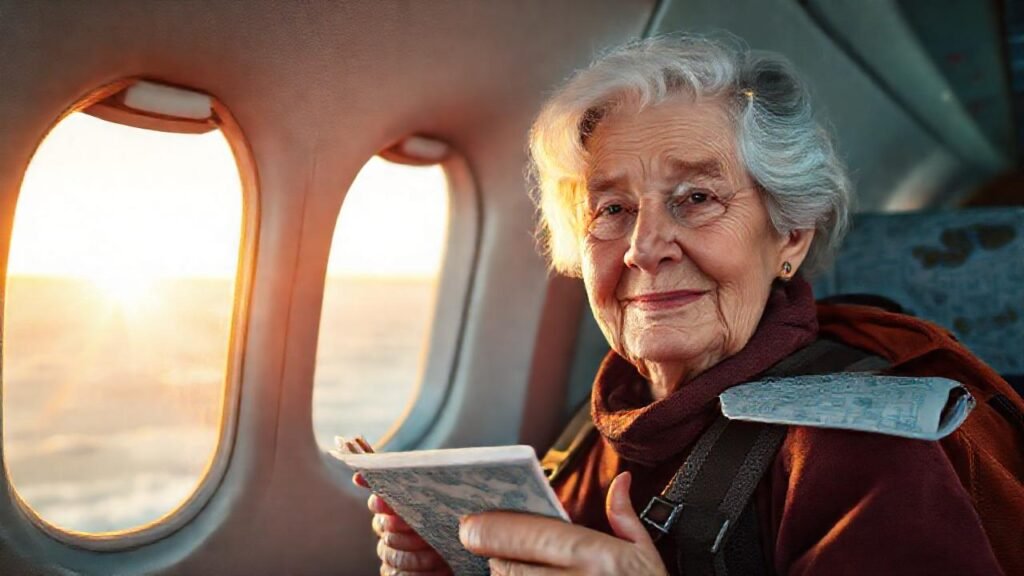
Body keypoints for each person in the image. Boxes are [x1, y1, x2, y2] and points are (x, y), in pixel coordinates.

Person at [358, 34, 1023, 575]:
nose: (644, 248)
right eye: (612, 209)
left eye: (697, 198)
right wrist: (454, 563)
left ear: (789, 234)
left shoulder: (867, 446)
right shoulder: (600, 422)